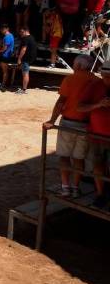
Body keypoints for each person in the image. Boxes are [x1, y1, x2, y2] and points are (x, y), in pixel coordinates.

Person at [44, 55, 97, 197]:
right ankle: (75, 187)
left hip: (68, 122)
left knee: (64, 156)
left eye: (74, 64)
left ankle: (65, 187)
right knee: (79, 158)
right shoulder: (96, 81)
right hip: (86, 125)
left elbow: (61, 102)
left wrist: (52, 120)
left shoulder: (70, 79)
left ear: (78, 66)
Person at [77, 60, 110, 208]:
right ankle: (101, 194)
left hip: (101, 134)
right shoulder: (95, 85)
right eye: (106, 76)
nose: (107, 79)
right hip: (97, 134)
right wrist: (98, 104)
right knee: (98, 165)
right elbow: (80, 107)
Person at [15, 27, 37, 94]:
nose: (20, 34)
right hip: (29, 58)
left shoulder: (25, 38)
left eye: (22, 32)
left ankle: (24, 89)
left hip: (25, 59)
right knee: (25, 73)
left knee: (25, 74)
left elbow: (24, 49)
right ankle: (24, 88)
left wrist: (19, 59)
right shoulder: (32, 37)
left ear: (26, 31)